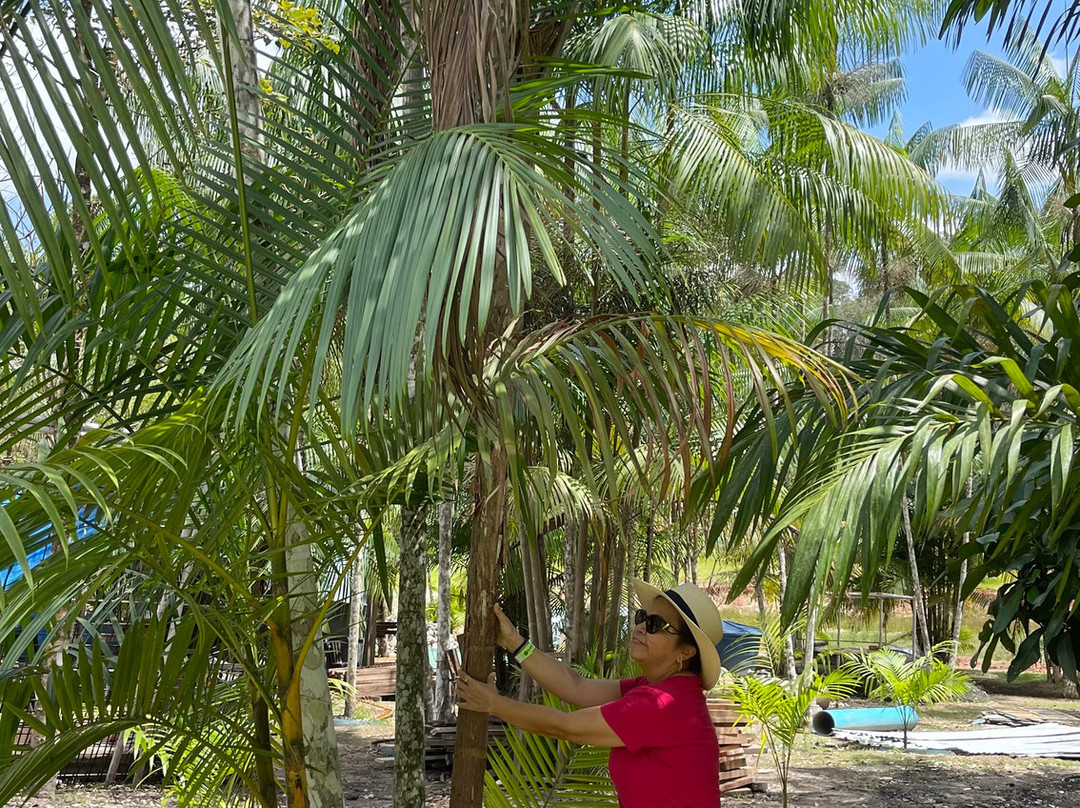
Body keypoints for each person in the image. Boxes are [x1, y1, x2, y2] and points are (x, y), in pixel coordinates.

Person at [457, 580, 725, 808]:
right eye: (642, 617)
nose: (641, 627)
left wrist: (494, 703)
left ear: (686, 652)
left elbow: (565, 727)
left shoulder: (664, 704)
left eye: (656, 624)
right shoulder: (661, 691)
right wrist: (514, 642)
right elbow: (576, 686)